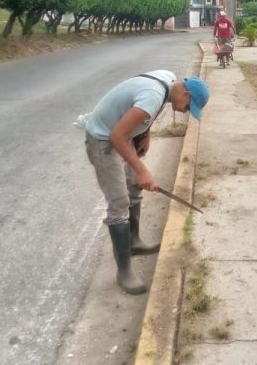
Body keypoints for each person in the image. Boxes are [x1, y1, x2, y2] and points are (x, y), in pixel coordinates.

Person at [81, 71, 210, 294]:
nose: (186, 111)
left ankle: (134, 241)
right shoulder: (153, 95)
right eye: (189, 106)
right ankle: (124, 273)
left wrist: (145, 134)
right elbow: (116, 136)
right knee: (120, 202)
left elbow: (142, 110)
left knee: (134, 186)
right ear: (186, 93)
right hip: (103, 140)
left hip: (125, 135)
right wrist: (142, 170)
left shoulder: (168, 80)